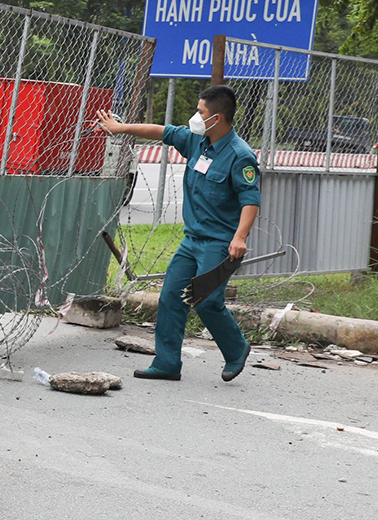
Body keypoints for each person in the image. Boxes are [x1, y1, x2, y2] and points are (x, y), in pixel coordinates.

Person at [97, 85, 260, 382]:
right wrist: (120, 128)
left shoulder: (240, 155)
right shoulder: (197, 141)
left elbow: (251, 199)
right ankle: (167, 362)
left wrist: (240, 237)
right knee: (171, 297)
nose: (195, 117)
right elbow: (160, 131)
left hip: (219, 241)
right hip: (191, 239)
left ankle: (236, 349)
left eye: (201, 112)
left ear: (218, 118)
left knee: (208, 301)